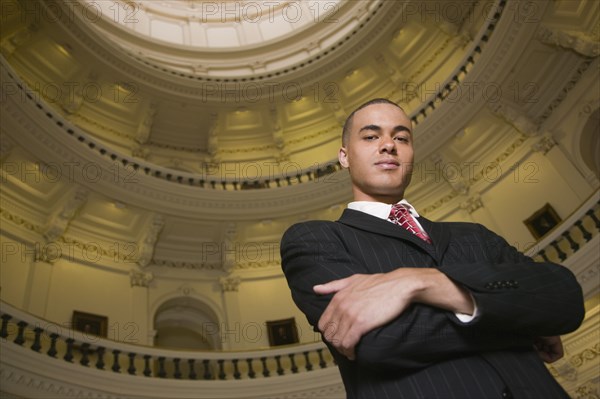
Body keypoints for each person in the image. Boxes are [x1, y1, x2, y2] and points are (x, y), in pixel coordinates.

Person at [280, 98, 584, 398]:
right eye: (371, 136)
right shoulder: (313, 240)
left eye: (401, 137)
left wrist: (423, 282)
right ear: (344, 156)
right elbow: (378, 340)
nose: (389, 145)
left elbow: (564, 297)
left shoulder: (473, 236)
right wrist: (516, 316)